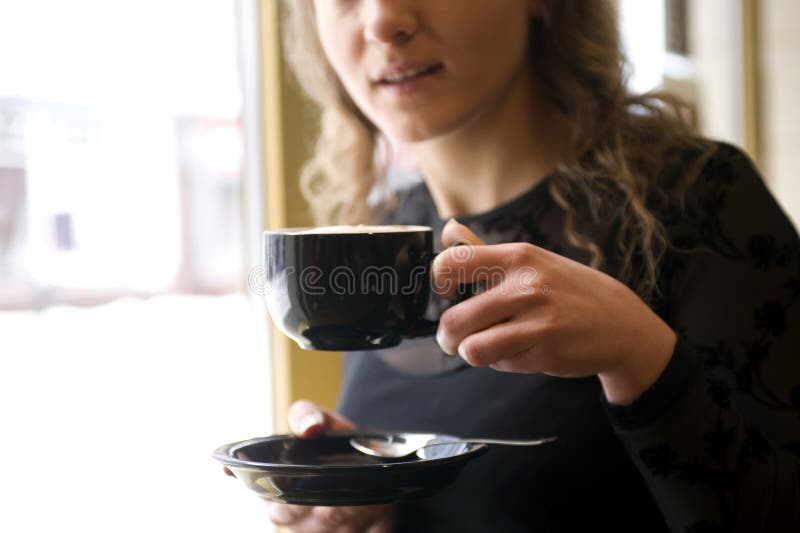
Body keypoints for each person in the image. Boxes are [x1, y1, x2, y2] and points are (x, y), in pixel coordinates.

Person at [238, 1, 800, 531]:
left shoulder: (699, 201)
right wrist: (371, 507)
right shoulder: (384, 234)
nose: (384, 20)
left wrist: (639, 357)